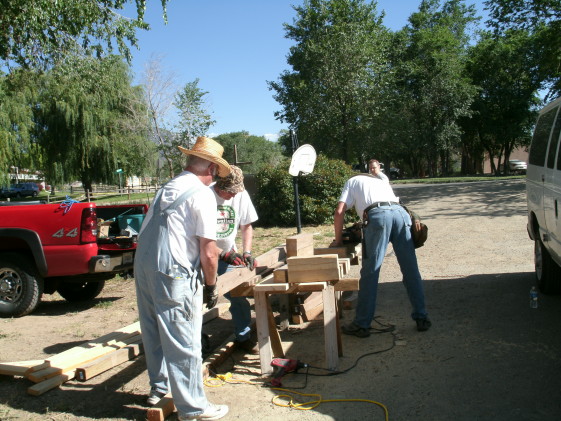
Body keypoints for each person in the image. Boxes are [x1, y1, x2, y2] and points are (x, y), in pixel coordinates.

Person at [134, 136, 230, 421]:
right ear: (212, 168)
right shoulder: (202, 195)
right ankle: (194, 408)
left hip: (145, 267)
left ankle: (159, 388)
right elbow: (209, 252)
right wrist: (211, 286)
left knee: (153, 332)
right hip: (174, 272)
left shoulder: (168, 186)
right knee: (184, 339)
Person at [331, 172, 431, 338]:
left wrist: (339, 240)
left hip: (378, 216)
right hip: (401, 214)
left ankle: (362, 324)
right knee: (411, 270)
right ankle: (422, 318)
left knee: (371, 272)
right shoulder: (380, 181)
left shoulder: (352, 181)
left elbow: (339, 211)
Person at [212, 165, 259, 353]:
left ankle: (243, 336)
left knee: (238, 295)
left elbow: (246, 225)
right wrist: (221, 253)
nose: (232, 196)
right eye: (229, 192)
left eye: (235, 192)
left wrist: (246, 252)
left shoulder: (241, 194)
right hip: (201, 256)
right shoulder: (204, 196)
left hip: (229, 255)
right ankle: (197, 341)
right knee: (197, 299)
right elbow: (196, 238)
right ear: (219, 186)